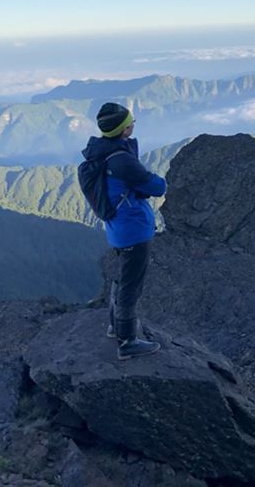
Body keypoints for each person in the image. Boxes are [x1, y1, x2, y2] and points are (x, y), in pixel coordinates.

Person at [81, 102, 167, 360]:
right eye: (131, 122)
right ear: (123, 129)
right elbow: (157, 187)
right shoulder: (121, 160)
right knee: (132, 285)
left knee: (122, 278)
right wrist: (158, 180)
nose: (133, 125)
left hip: (118, 228)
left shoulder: (103, 153)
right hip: (133, 229)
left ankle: (114, 326)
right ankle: (127, 341)